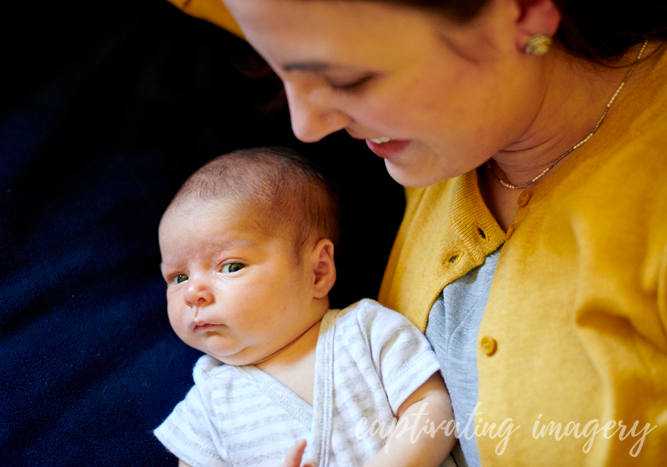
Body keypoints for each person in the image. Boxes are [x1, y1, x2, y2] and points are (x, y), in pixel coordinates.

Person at [167, 0, 667, 465]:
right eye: (280, 70)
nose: (307, 127)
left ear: (524, 11)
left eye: (347, 77)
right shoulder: (449, 141)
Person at [153, 148, 459, 467]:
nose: (192, 292)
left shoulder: (367, 332)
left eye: (230, 267)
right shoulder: (206, 408)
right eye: (178, 277)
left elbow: (434, 408)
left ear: (318, 271)